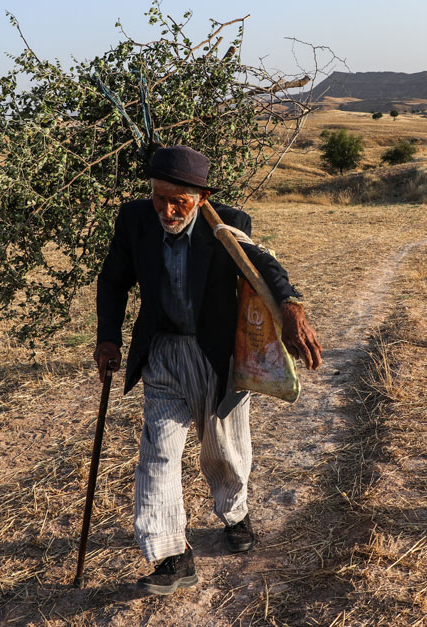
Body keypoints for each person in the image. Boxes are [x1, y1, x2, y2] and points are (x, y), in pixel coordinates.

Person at [93, 145, 322, 596]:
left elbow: (265, 266)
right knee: (158, 451)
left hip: (217, 356)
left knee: (224, 450)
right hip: (162, 355)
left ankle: (235, 513)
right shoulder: (135, 220)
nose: (167, 209)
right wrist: (108, 338)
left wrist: (292, 306)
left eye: (179, 200)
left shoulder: (227, 224)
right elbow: (113, 279)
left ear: (202, 196)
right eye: (160, 197)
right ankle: (172, 555)